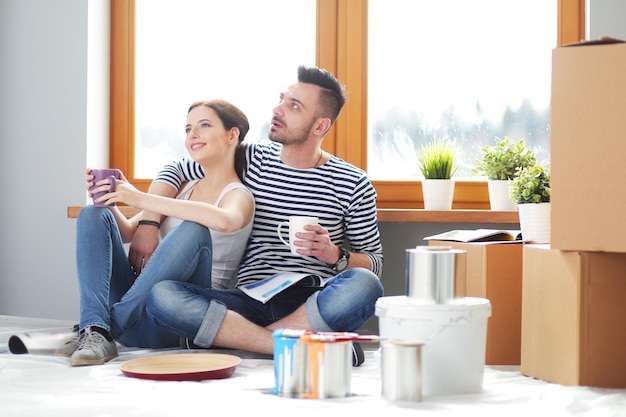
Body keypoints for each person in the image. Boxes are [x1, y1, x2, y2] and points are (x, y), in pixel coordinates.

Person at [135, 65, 384, 365]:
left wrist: (335, 255)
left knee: (366, 286)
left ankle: (238, 340)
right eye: (282, 99)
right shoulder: (250, 158)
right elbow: (174, 169)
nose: (277, 110)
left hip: (311, 298)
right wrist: (148, 222)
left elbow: (374, 263)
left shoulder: (352, 182)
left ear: (320, 126)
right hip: (249, 299)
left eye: (293, 106)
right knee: (162, 294)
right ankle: (295, 345)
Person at [58, 99, 255, 366]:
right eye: (188, 129)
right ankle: (97, 328)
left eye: (204, 125)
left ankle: (100, 327)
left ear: (233, 135)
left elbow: (224, 221)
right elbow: (128, 232)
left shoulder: (238, 195)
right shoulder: (184, 187)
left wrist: (141, 198)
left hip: (174, 317)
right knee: (93, 214)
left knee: (194, 230)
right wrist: (110, 200)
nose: (193, 135)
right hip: (135, 318)